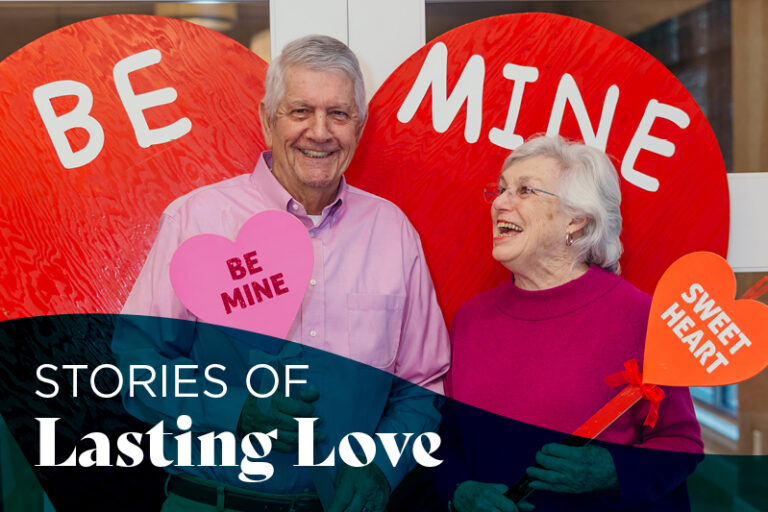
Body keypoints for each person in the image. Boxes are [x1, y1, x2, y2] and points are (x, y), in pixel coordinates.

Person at [114, 34, 450, 512]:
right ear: (266, 119)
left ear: (360, 124)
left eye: (339, 113)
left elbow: (423, 381)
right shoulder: (196, 220)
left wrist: (380, 464)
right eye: (300, 112)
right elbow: (136, 366)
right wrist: (236, 411)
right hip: (214, 502)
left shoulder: (393, 232)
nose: (320, 132)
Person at [443, 135, 703, 511]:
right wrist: (461, 491)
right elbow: (447, 437)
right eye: (500, 190)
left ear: (577, 221)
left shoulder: (639, 316)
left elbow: (682, 443)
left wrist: (613, 470)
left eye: (524, 190)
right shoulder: (471, 318)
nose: (500, 202)